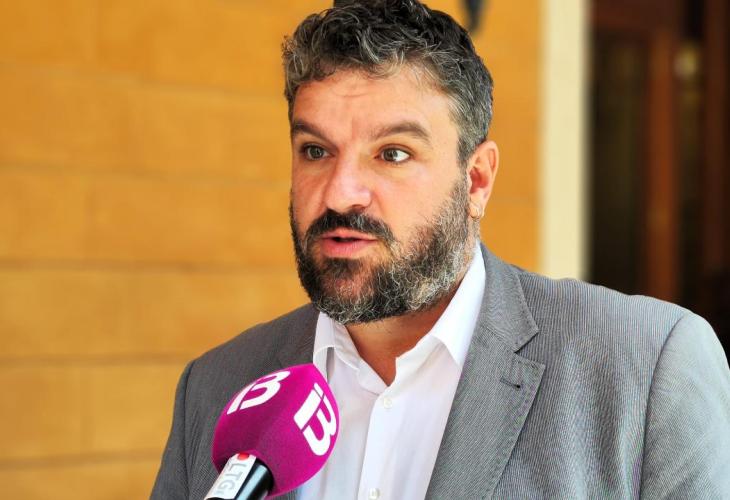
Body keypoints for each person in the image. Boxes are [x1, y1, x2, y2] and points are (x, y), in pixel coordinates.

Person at [151, 1, 730, 498]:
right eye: (315, 151)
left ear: (476, 180)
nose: (340, 193)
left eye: (393, 153)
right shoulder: (216, 387)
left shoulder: (647, 369)